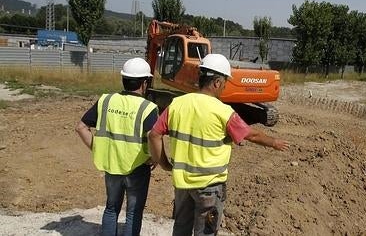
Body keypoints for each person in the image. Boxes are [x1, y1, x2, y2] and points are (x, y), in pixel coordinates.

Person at [148, 53, 290, 236]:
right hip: (209, 187)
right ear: (216, 82)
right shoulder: (223, 112)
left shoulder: (177, 104)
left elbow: (154, 135)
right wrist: (274, 142)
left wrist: (164, 164)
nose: (224, 87)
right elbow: (251, 135)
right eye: (225, 82)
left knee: (181, 228)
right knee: (206, 232)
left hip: (182, 183)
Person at [76, 57, 159, 236]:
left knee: (111, 208)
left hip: (111, 166)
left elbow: (81, 127)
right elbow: (154, 136)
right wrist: (155, 158)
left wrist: (99, 149)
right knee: (133, 213)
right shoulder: (148, 107)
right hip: (137, 168)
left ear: (124, 79)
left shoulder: (106, 100)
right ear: (145, 83)